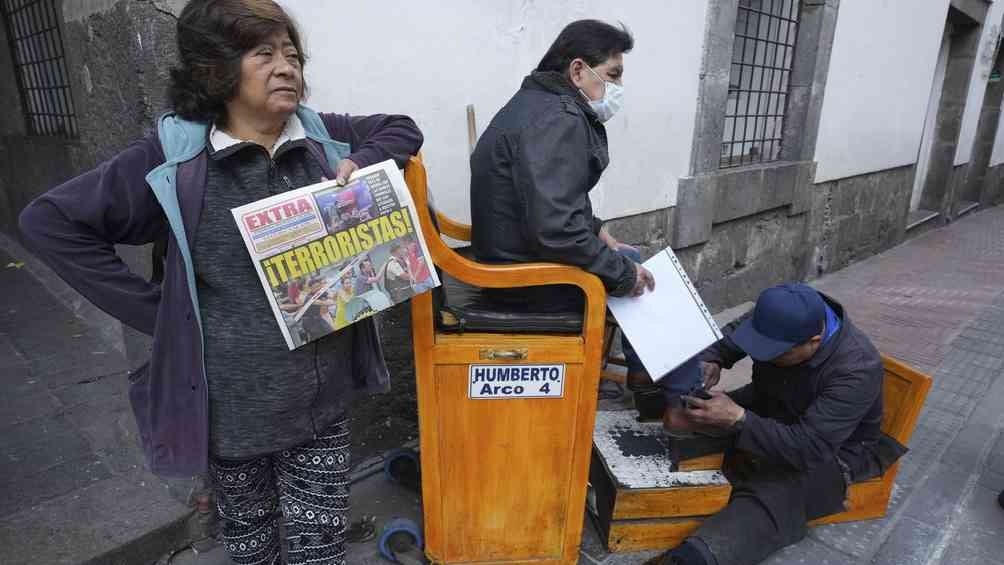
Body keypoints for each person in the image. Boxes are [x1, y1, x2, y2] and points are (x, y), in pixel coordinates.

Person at [17, 1, 423, 564]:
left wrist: (370, 160)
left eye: (291, 53)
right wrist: (157, 313)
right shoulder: (176, 160)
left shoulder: (321, 138)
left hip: (323, 403)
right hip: (232, 415)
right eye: (264, 53)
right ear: (214, 69)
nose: (286, 67)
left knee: (319, 548)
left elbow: (402, 127)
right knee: (252, 545)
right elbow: (49, 222)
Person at [468, 19, 660, 408]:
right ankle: (666, 398)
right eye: (612, 75)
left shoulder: (536, 103)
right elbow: (555, 228)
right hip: (525, 282)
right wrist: (623, 276)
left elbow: (542, 198)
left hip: (509, 261)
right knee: (638, 274)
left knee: (628, 258)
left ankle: (646, 378)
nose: (617, 88)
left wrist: (596, 230)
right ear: (577, 70)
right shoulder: (559, 117)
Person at [650, 284, 907, 565]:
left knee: (772, 495)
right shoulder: (779, 315)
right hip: (772, 404)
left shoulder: (857, 368)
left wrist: (739, 419)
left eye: (775, 353)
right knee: (693, 411)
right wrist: (713, 359)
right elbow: (728, 340)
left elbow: (807, 448)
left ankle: (695, 557)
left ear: (814, 340)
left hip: (830, 453)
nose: (763, 357)